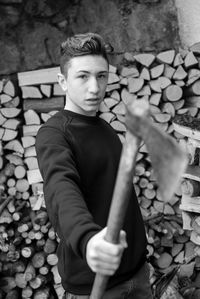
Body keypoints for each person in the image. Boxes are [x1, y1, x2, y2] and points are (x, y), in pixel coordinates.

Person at [35, 32, 153, 299]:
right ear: (63, 81)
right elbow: (61, 189)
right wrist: (88, 240)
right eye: (83, 76)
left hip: (137, 274)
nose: (94, 87)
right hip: (94, 286)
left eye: (101, 76)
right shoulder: (54, 134)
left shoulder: (106, 129)